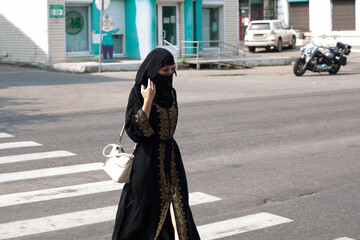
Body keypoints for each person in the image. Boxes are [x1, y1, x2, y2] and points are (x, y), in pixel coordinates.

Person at [112, 48, 200, 240]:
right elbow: (138, 132)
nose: (169, 74)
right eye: (164, 71)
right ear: (153, 71)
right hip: (148, 157)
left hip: (171, 156)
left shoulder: (172, 93)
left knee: (180, 204)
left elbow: (171, 126)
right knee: (143, 208)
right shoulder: (138, 92)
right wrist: (148, 100)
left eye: (171, 70)